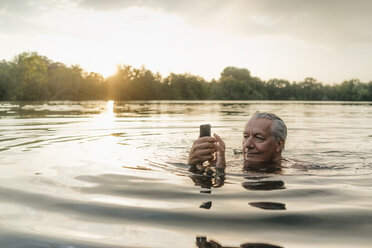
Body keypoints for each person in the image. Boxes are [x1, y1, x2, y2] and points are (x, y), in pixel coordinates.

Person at [188, 112, 287, 173]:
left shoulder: (298, 170)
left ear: (279, 144)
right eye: (246, 136)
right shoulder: (232, 163)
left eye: (258, 137)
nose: (247, 144)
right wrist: (193, 164)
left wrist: (221, 172)